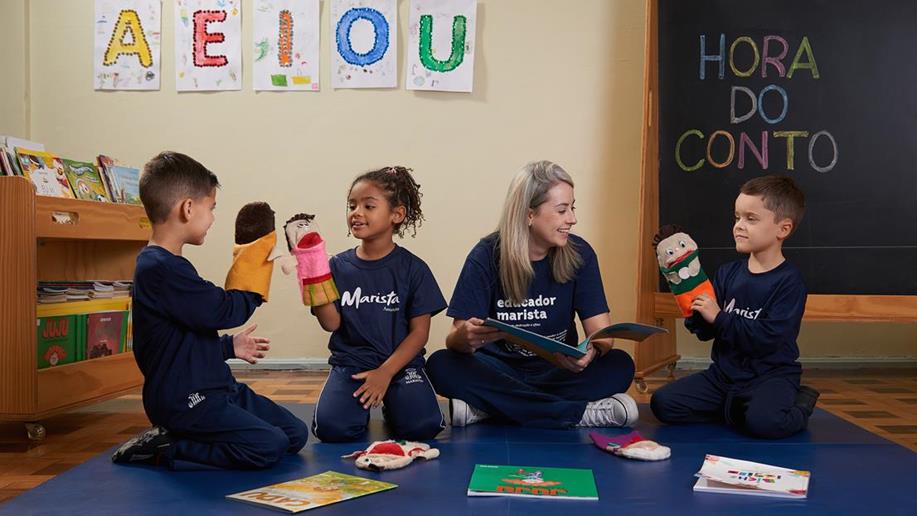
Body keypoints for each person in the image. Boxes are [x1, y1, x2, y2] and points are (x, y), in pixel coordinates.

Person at [112, 151, 307, 469]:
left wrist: (230, 346)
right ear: (188, 208)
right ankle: (170, 446)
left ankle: (196, 435)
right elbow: (223, 311)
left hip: (217, 387)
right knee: (268, 446)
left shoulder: (171, 266)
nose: (213, 217)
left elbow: (184, 338)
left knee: (294, 434)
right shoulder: (159, 269)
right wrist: (253, 279)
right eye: (211, 207)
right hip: (184, 401)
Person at [426, 160, 638, 429]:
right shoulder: (486, 255)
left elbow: (604, 335)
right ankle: (579, 414)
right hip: (498, 371)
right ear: (529, 214)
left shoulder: (581, 254)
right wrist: (464, 336)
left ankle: (489, 409)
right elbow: (456, 342)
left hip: (558, 371)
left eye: (572, 208)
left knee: (620, 365)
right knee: (440, 364)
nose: (572, 219)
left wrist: (591, 352)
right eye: (562, 210)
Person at [650, 175, 819, 439]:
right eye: (737, 217)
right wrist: (688, 299)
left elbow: (769, 339)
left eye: (751, 219)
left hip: (769, 377)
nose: (739, 226)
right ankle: (733, 408)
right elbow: (707, 332)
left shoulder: (789, 282)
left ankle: (800, 404)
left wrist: (719, 317)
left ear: (782, 229)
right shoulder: (728, 273)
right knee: (664, 404)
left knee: (765, 423)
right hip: (723, 377)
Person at [310, 166, 446, 442]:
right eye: (352, 205)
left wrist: (385, 373)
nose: (356, 212)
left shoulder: (414, 269)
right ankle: (361, 408)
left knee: (423, 427)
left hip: (400, 366)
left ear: (396, 215)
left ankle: (394, 406)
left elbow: (419, 334)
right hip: (352, 366)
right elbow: (331, 323)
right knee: (332, 429)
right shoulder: (336, 266)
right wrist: (313, 277)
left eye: (368, 206)